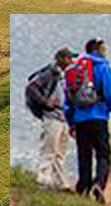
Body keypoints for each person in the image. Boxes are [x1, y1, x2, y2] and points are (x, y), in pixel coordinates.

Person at [65, 38, 111, 202]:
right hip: (98, 117)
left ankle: (83, 188)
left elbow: (68, 98)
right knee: (103, 153)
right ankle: (99, 183)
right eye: (104, 48)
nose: (106, 51)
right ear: (97, 50)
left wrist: (70, 122)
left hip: (80, 119)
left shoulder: (74, 69)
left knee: (84, 155)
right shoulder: (102, 67)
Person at [25, 46, 75, 191]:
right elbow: (31, 87)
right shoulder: (50, 73)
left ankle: (59, 182)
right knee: (49, 149)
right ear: (61, 59)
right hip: (52, 117)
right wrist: (45, 102)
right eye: (69, 58)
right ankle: (43, 180)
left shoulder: (62, 75)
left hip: (62, 117)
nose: (71, 61)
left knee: (59, 151)